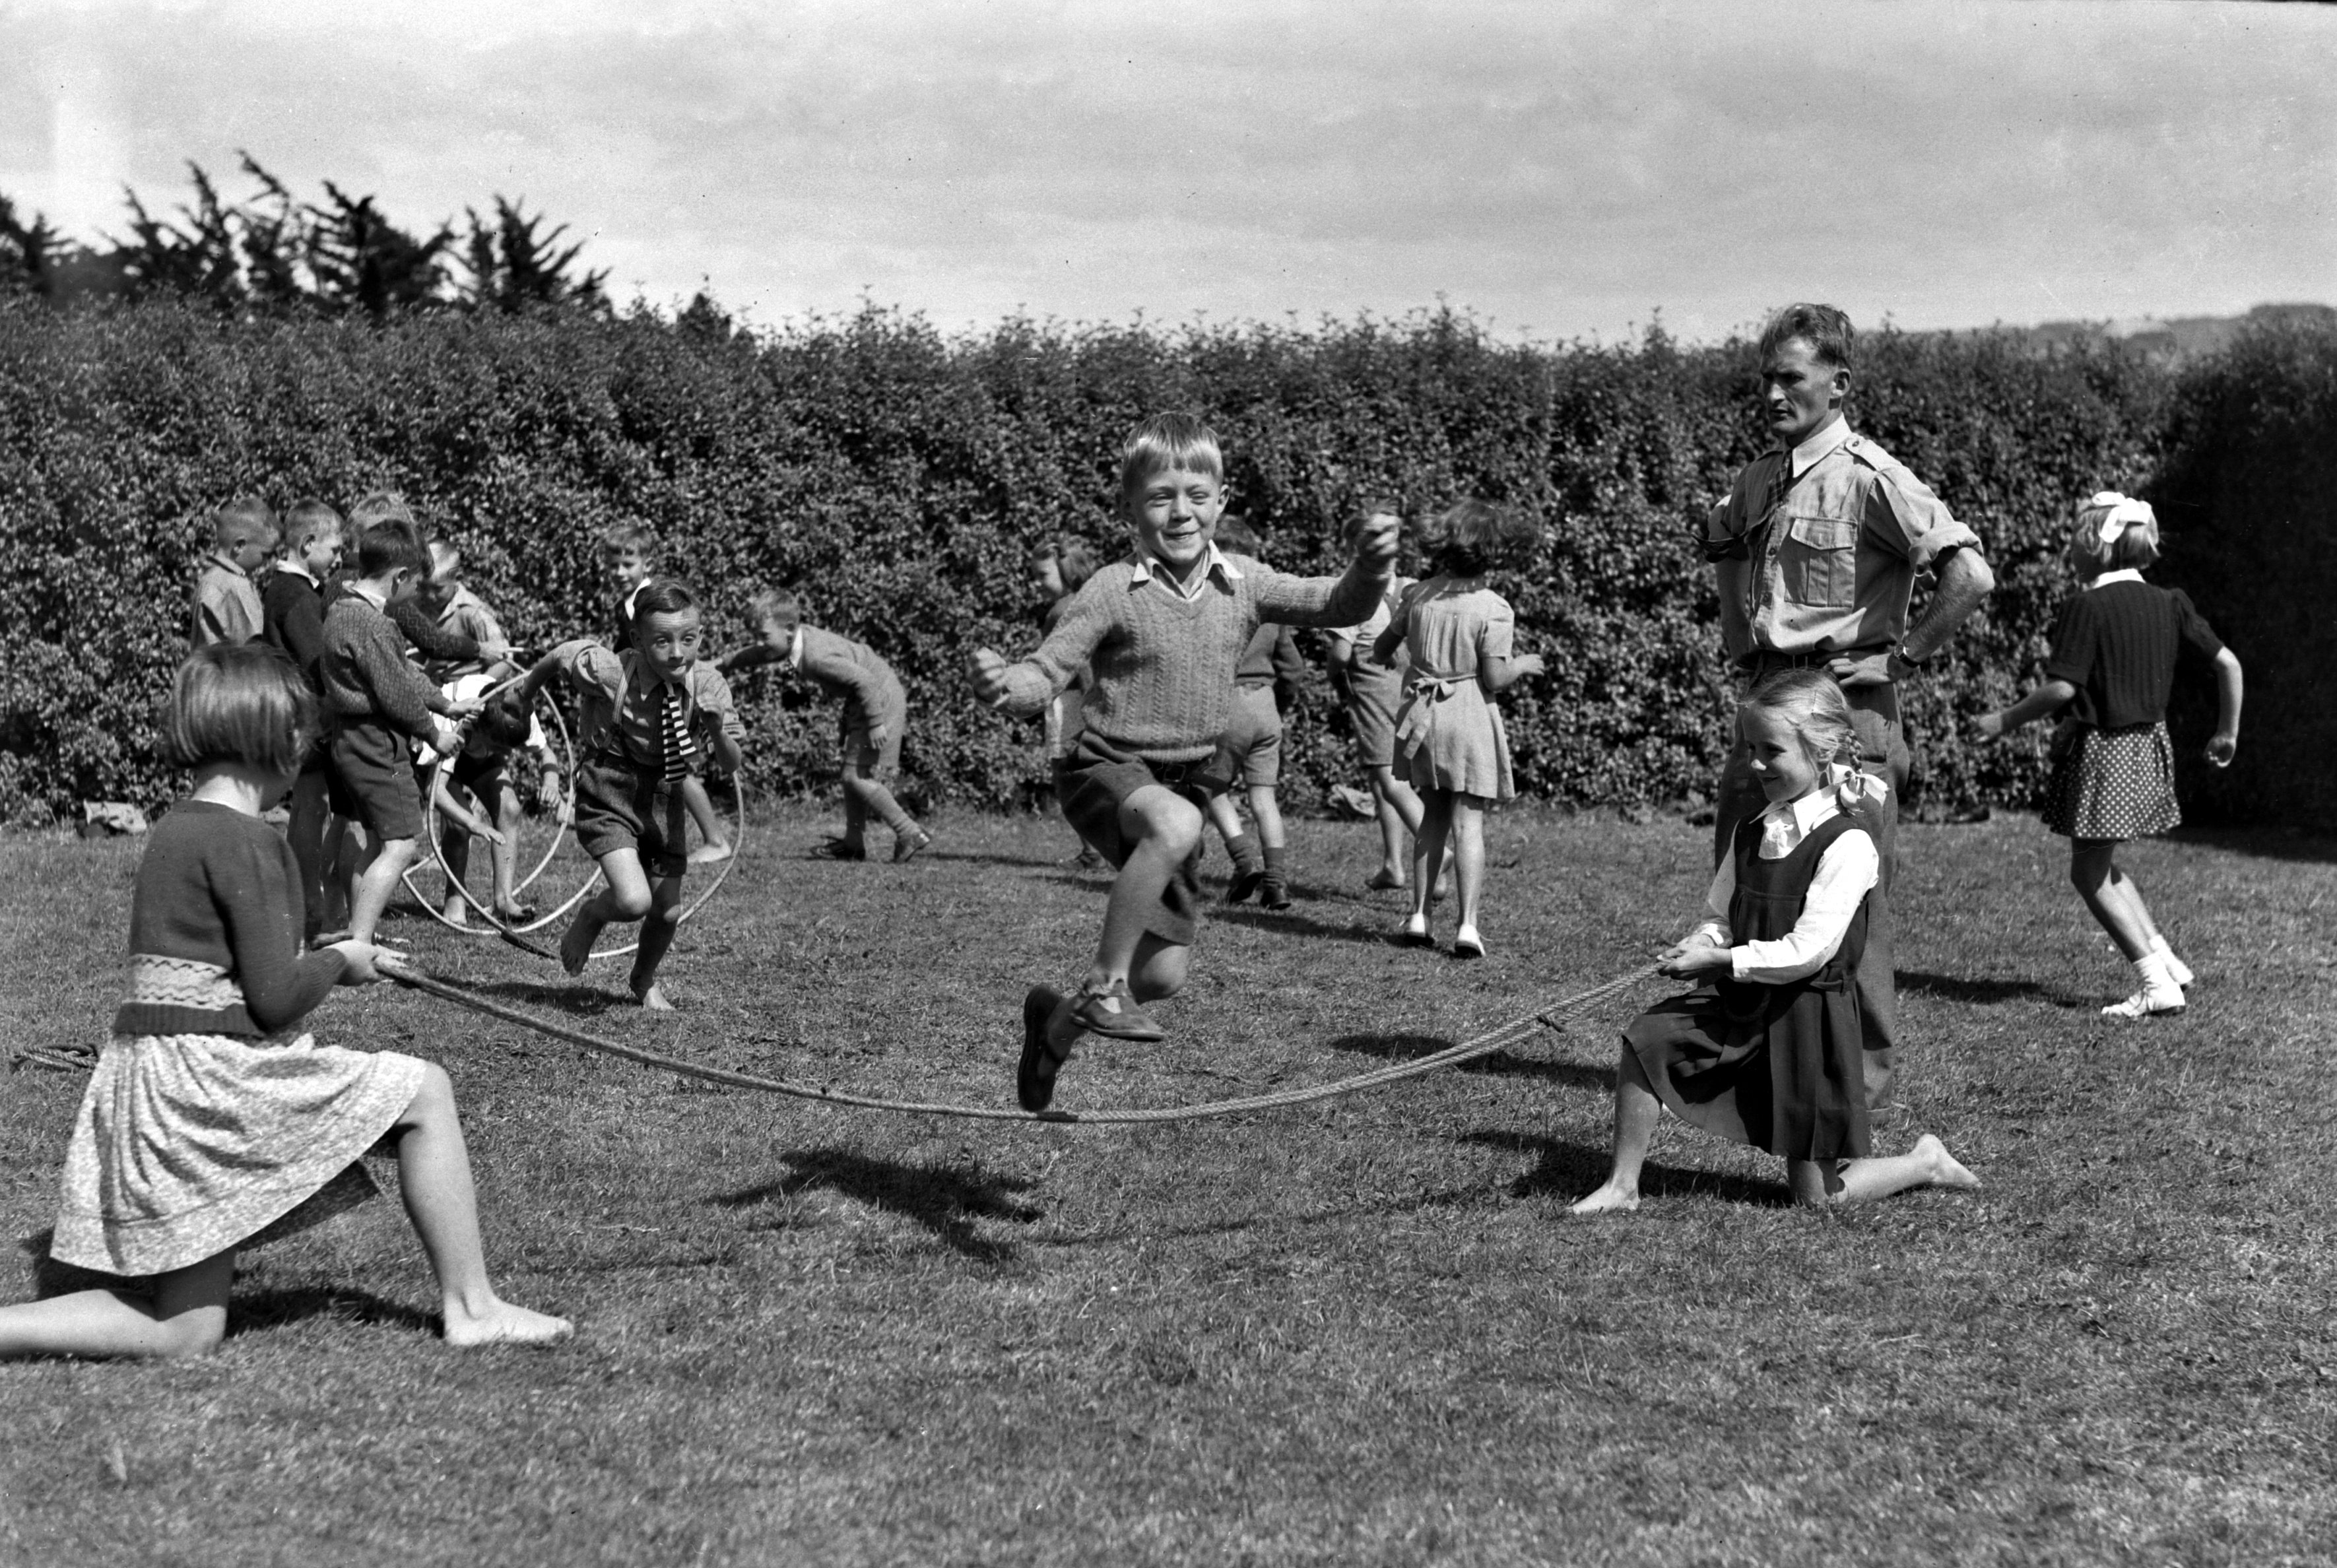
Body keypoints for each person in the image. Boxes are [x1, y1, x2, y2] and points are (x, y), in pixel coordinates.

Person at [0, 645, 569, 1357]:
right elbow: (273, 1000)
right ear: (276, 740)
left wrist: (331, 958)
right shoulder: (247, 841)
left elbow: (221, 973)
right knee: (427, 1092)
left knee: (184, 1331)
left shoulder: (177, 828)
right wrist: (339, 958)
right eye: (305, 740)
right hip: (209, 1081)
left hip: (155, 1081)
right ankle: (473, 1307)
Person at [971, 411, 1399, 1112]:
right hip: (1102, 767)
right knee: (1173, 825)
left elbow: (1335, 602)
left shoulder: (1245, 584)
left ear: (1221, 502)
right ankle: (1104, 989)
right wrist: (1006, 685)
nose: (1181, 511)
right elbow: (1046, 669)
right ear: (1130, 510)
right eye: (1161, 496)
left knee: (1166, 976)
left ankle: (1053, 1026)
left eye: (1197, 495)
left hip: (1177, 788)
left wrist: (1373, 564)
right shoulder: (1113, 587)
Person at [1699, 302, 1996, 1109]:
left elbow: (1968, 576)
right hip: (1765, 717)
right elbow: (1721, 544)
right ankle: (1754, 1075)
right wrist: (1740, 640)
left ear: (1838, 384)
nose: (1771, 393)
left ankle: (1852, 1090)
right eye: (1765, 378)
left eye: (1789, 378)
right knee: (1751, 893)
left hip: (1845, 725)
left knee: (1848, 902)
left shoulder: (1872, 476)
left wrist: (1905, 655)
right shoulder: (1759, 477)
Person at [1570, 670, 1981, 1214]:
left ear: (1822, 750)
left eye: (1771, 750)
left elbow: (1806, 953)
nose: (1755, 763)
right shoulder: (1753, 829)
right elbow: (1724, 915)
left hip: (1807, 1019)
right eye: (1749, 748)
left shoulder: (1849, 842)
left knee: (1815, 1198)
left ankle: (1924, 1161)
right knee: (1647, 1040)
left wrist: (1719, 958)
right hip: (1746, 999)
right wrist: (1703, 939)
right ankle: (1623, 1186)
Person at [1972, 492, 2242, 1018]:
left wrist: (2001, 720)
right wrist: (2226, 733)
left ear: (2096, 545)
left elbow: (2062, 689)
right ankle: (2169, 965)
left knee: (2088, 874)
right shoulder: (2170, 602)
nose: (2068, 551)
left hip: (2106, 755)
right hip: (2147, 750)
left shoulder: (2085, 606)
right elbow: (2228, 664)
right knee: (2103, 864)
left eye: (2074, 540)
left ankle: (2153, 984)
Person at [517, 578, 746, 1010]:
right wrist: (525, 698)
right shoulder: (608, 670)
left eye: (688, 639)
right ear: (638, 639)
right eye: (662, 641)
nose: (677, 653)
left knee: (666, 912)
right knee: (633, 899)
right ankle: (592, 914)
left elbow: (731, 764)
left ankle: (643, 979)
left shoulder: (710, 685)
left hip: (664, 797)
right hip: (609, 789)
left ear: (700, 636)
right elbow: (559, 656)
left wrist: (715, 726)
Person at [1373, 499, 1544, 958]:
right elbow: (1494, 677)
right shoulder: (1493, 607)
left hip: (1422, 718)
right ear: (1493, 555)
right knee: (1468, 825)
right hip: (1467, 716)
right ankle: (1467, 926)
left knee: (1431, 818)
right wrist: (1523, 664)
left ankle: (1418, 916)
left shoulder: (1417, 595)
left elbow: (1381, 648)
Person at [319, 519, 471, 946]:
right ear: (399, 577)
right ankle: (360, 945)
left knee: (377, 841)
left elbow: (402, 673)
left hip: (350, 741)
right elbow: (395, 692)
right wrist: (433, 733)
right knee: (402, 845)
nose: (418, 597)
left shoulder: (343, 611)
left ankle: (358, 934)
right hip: (376, 744)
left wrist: (444, 702)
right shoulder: (375, 625)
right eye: (416, 586)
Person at [717, 589, 933, 863]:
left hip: (878, 699)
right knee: (853, 774)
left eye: (763, 636)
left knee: (855, 777)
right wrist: (722, 664)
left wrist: (876, 722)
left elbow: (865, 680)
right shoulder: (796, 639)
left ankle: (909, 831)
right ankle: (853, 843)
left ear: (789, 629)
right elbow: (760, 655)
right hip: (866, 701)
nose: (760, 643)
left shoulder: (816, 655)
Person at [603, 521, 733, 865]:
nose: (619, 572)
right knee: (668, 768)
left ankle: (715, 840)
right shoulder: (628, 602)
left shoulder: (647, 601)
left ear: (648, 563)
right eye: (612, 564)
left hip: (666, 692)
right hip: (647, 693)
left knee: (677, 768)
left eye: (627, 564)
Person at [1196, 517, 1307, 909]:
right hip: (1265, 704)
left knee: (1208, 786)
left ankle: (1244, 863)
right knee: (1265, 798)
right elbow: (1293, 668)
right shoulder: (1267, 603)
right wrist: (1281, 704)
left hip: (1225, 704)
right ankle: (1276, 882)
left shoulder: (1209, 599)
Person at [1325, 501, 1433, 892]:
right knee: (1386, 777)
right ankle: (1393, 864)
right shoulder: (1413, 588)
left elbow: (1340, 653)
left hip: (1373, 691)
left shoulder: (1354, 595)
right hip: (1414, 693)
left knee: (1389, 781)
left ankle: (1437, 853)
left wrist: (1332, 676)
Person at [261, 498, 347, 942]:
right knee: (313, 812)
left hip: (301, 717)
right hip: (309, 719)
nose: (337, 559)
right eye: (333, 550)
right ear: (307, 543)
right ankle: (308, 912)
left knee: (310, 811)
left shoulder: (290, 590)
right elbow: (319, 663)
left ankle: (308, 910)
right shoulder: (294, 596)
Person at [417, 686, 554, 927]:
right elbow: (434, 790)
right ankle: (455, 895)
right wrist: (473, 822)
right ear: (480, 727)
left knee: (510, 808)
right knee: (459, 825)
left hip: (477, 752)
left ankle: (503, 901)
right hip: (441, 754)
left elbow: (546, 754)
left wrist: (551, 781)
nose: (509, 756)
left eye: (508, 750)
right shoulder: (456, 718)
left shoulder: (518, 713)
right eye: (500, 749)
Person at [1030, 537, 1105, 870]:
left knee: (1067, 778)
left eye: (1043, 575)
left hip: (1072, 704)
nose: (1037, 583)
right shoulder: (1090, 601)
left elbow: (1077, 663)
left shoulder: (1061, 611)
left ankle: (1092, 851)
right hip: (1088, 699)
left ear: (1066, 570)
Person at [190, 496, 277, 649]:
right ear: (239, 546)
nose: (268, 563)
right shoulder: (237, 586)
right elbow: (255, 650)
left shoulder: (209, 580)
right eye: (265, 555)